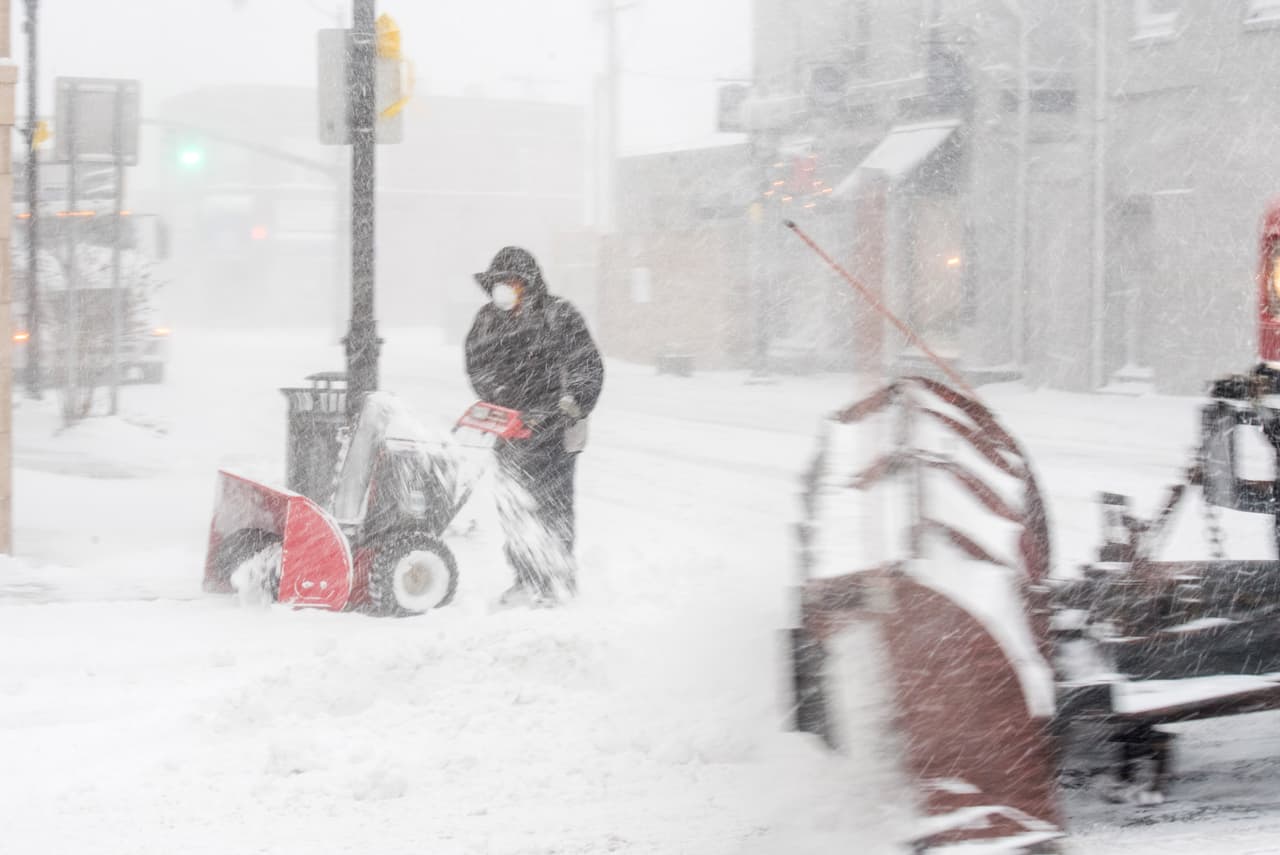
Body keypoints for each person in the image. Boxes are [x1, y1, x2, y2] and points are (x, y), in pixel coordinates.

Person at [465, 246, 604, 606]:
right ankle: (526, 578)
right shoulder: (486, 321)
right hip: (512, 430)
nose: (503, 289)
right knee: (514, 507)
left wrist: (571, 402)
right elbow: (479, 368)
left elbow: (586, 364)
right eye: (497, 283)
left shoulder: (560, 317)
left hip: (556, 432)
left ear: (527, 285)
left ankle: (556, 581)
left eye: (510, 282)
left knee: (553, 505)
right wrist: (499, 400)